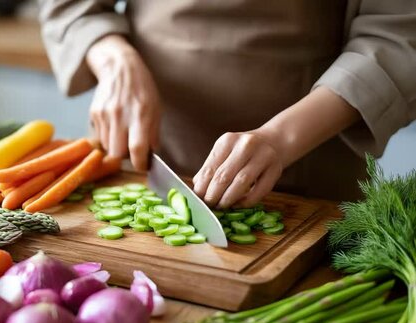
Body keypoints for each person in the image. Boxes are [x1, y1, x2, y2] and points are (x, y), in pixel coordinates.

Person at [38, 0, 416, 208]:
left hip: (307, 172)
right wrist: (114, 59)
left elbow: (397, 35)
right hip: (139, 158)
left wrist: (280, 139)